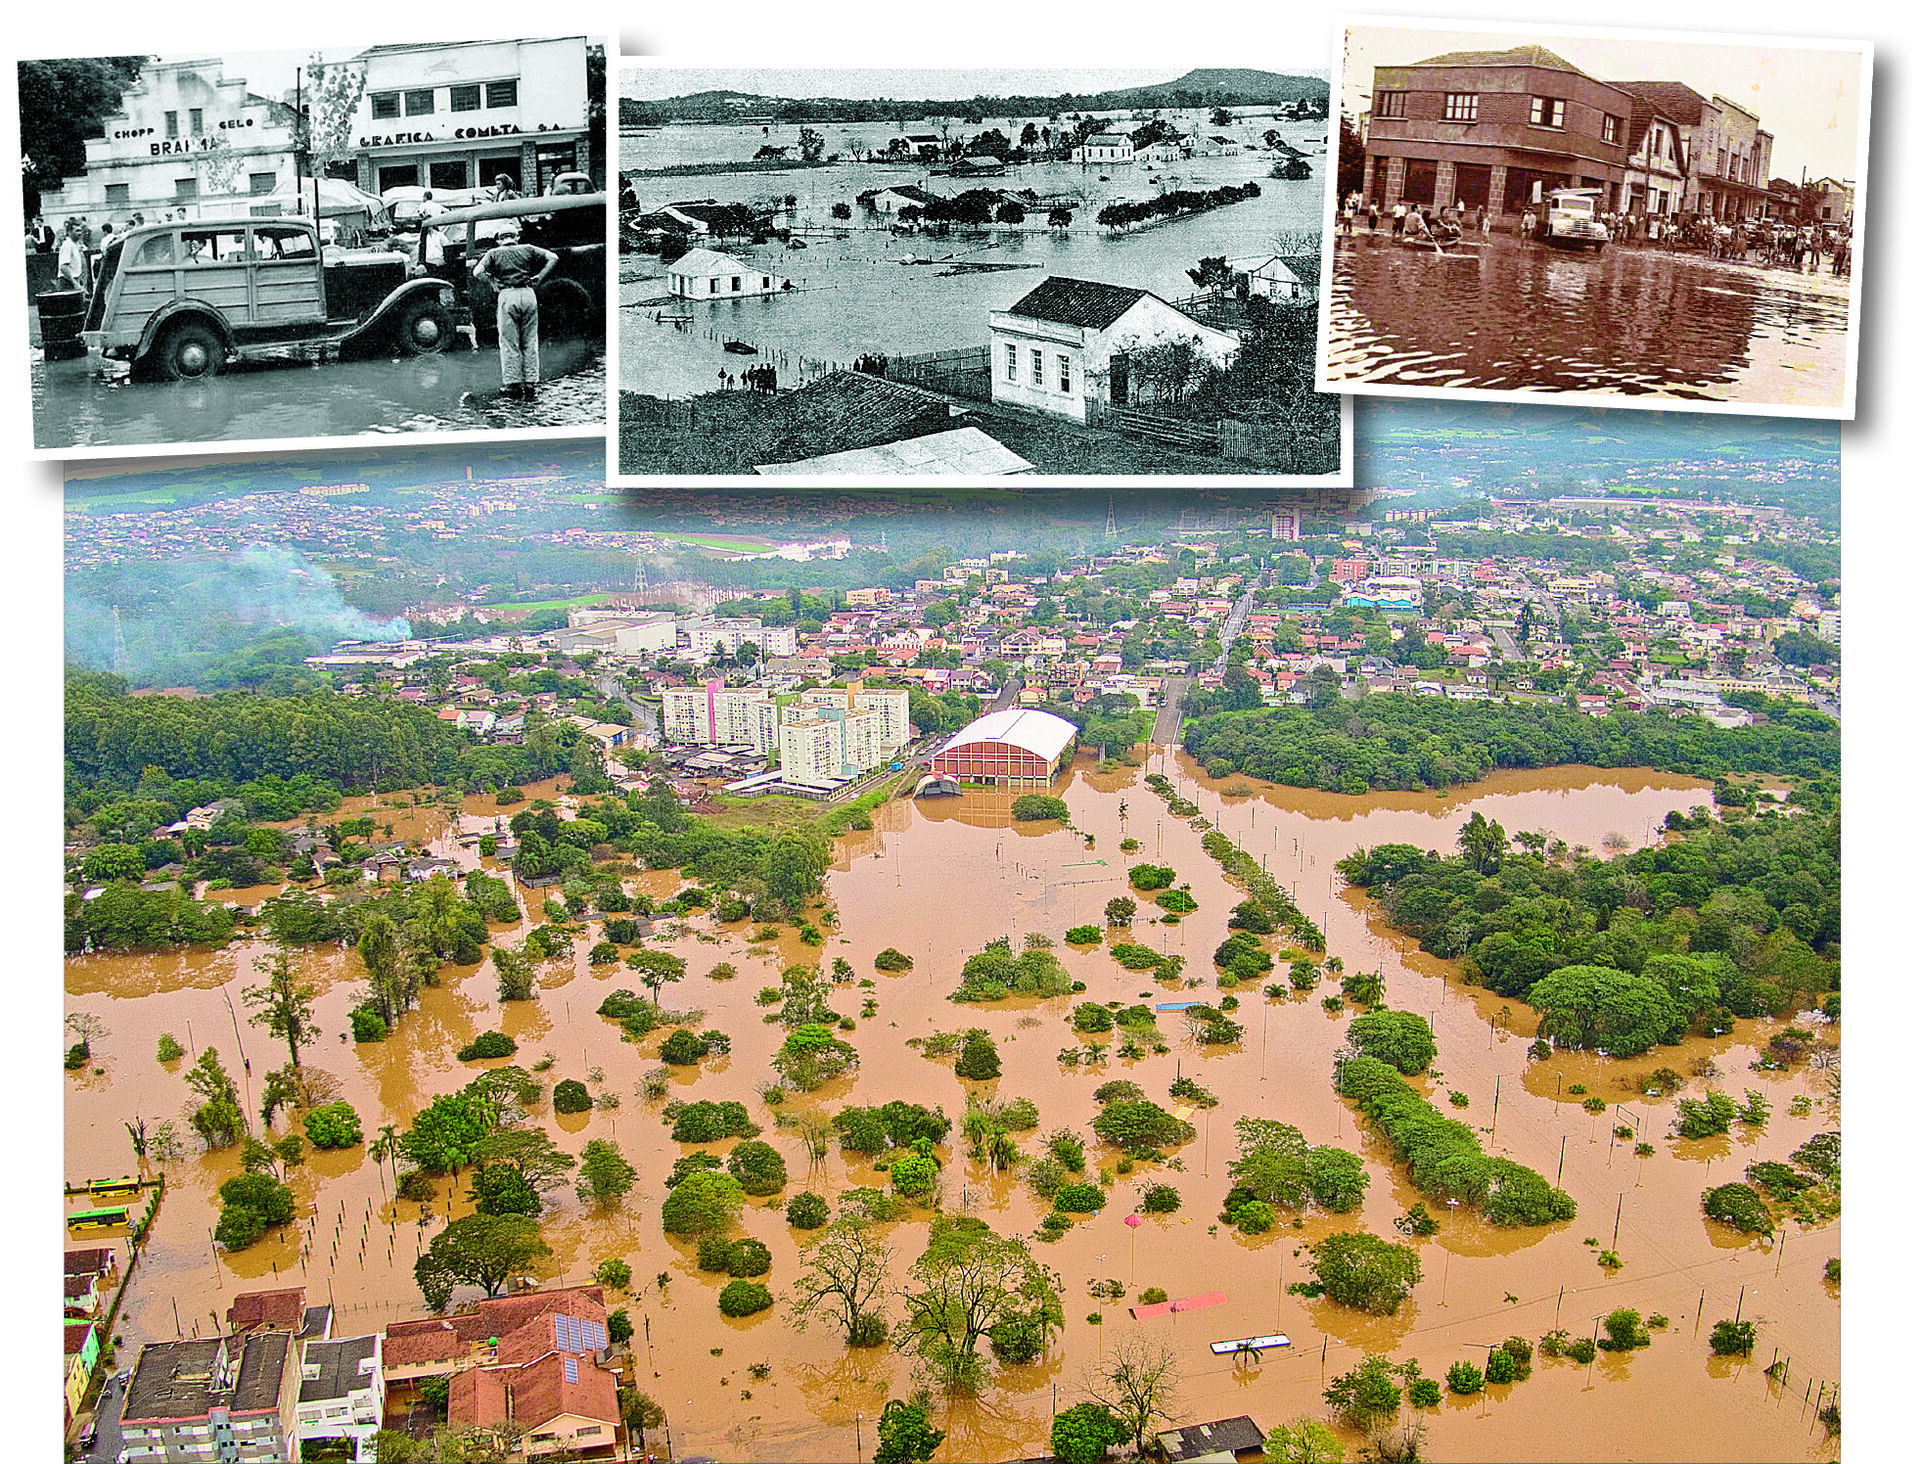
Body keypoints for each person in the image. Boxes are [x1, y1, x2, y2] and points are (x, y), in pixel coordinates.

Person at [471, 221, 558, 398]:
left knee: (509, 341)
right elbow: (553, 257)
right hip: (528, 294)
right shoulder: (528, 248)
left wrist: (492, 282)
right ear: (516, 237)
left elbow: (477, 272)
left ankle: (512, 384)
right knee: (529, 340)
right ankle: (531, 383)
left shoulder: (493, 253)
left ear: (499, 240)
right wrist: (540, 276)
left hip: (507, 295)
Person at [56, 220, 89, 292]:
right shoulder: (67, 245)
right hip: (67, 283)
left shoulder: (76, 245)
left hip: (76, 280)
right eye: (77, 231)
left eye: (80, 231)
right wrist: (74, 283)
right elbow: (63, 267)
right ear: (69, 232)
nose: (80, 233)